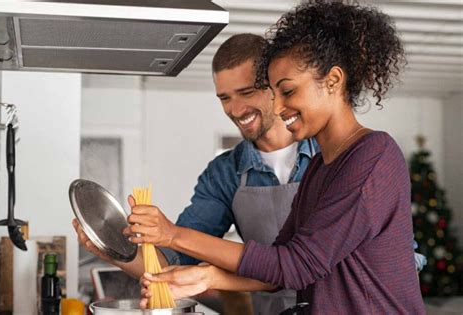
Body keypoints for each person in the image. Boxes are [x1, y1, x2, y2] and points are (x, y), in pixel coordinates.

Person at [132, 2, 426, 314]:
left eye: (287, 91)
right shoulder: (318, 168)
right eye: (274, 93)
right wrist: (207, 277)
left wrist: (173, 234)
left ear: (333, 81)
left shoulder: (373, 156)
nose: (280, 106)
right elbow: (279, 267)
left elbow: (297, 266)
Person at [74, 33, 318, 314]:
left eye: (246, 92)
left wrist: (175, 237)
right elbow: (172, 262)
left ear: (274, 87)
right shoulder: (224, 173)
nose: (236, 109)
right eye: (224, 98)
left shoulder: (327, 156)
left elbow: (304, 263)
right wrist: (111, 250)